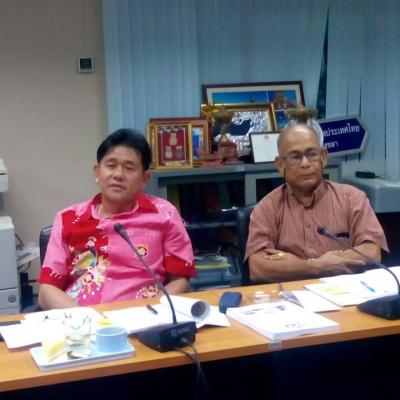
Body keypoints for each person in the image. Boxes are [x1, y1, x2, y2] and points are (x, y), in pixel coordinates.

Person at [37, 128, 195, 309]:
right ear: (97, 173)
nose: (118, 175)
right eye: (111, 166)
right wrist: (87, 319)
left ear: (144, 178)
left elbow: (181, 280)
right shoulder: (68, 218)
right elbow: (46, 291)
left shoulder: (164, 215)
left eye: (129, 168)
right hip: (82, 320)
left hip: (146, 316)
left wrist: (152, 311)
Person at [246, 123, 388, 283]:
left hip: (344, 290)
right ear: (280, 165)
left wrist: (296, 265)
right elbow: (258, 267)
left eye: (312, 154)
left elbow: (371, 251)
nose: (305, 163)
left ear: (323, 157)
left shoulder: (352, 198)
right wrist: (317, 266)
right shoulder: (267, 208)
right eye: (295, 157)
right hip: (292, 293)